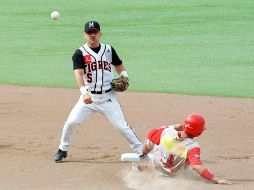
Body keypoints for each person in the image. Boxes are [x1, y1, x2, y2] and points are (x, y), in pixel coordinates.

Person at [54, 20, 143, 162]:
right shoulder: (80, 53)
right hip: (88, 98)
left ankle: (141, 150)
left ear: (100, 33)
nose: (92, 35)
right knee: (71, 122)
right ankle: (62, 149)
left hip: (108, 97)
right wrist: (84, 92)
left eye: (94, 32)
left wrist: (124, 76)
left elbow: (118, 65)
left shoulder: (108, 49)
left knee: (121, 126)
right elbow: (78, 73)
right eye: (89, 33)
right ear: (84, 35)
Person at [135, 113, 233, 185]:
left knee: (157, 139)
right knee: (184, 154)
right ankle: (159, 167)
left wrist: (144, 153)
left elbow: (150, 141)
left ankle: (148, 165)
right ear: (199, 133)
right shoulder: (193, 145)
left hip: (158, 163)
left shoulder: (167, 131)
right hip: (175, 173)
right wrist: (217, 179)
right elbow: (196, 167)